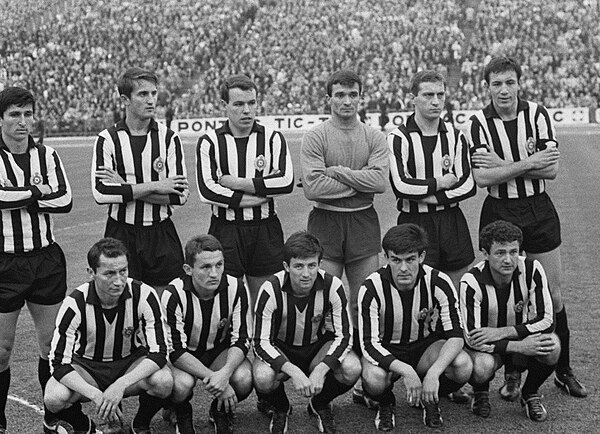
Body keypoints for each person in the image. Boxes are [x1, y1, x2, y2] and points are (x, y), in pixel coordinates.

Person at [466, 56, 586, 399]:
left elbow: (550, 171)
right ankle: (513, 372)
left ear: (520, 83)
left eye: (509, 83)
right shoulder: (476, 123)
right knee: (505, 296)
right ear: (487, 87)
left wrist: (508, 165)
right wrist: (530, 162)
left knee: (554, 293)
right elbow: (482, 177)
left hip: (538, 208)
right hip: (499, 210)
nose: (503, 90)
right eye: (496, 84)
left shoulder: (537, 114)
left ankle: (562, 370)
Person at [43, 238, 173, 434]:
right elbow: (58, 363)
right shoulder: (75, 303)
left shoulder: (144, 294)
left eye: (123, 271)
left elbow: (159, 352)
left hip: (129, 362)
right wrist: (97, 395)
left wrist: (120, 385)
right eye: (109, 273)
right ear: (91, 273)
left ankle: (139, 424)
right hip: (87, 367)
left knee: (164, 381)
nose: (119, 280)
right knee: (54, 397)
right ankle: (85, 427)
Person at [0, 86, 72, 434]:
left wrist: (21, 197)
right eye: (15, 114)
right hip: (4, 263)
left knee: (50, 344)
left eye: (28, 114)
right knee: (2, 349)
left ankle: (53, 414)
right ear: (1, 118)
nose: (23, 122)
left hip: (46, 259)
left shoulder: (49, 155)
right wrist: (37, 192)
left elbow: (66, 200)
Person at [358, 224, 472, 431]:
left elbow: (456, 335)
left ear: (421, 256)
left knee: (463, 365)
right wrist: (407, 371)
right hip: (387, 347)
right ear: (386, 258)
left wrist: (433, 373)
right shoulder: (371, 287)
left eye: (410, 259)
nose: (403, 268)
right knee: (373, 379)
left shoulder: (438, 281)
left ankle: (430, 397)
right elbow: (368, 344)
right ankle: (386, 402)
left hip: (424, 348)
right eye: (396, 260)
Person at [300, 69, 388, 332]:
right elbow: (313, 187)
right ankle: (325, 360)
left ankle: (366, 355)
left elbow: (380, 183)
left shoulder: (374, 137)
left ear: (361, 97)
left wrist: (338, 172)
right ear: (329, 99)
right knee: (321, 300)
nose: (347, 101)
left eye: (352, 94)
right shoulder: (316, 136)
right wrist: (361, 183)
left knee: (363, 300)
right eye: (340, 95)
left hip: (362, 219)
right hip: (326, 219)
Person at [196, 74, 294, 303]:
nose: (247, 110)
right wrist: (262, 193)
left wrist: (235, 182)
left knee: (267, 301)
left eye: (252, 103)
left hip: (265, 229)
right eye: (239, 104)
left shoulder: (273, 138)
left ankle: (264, 341)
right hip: (225, 230)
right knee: (227, 302)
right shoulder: (210, 141)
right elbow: (208, 191)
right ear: (224, 106)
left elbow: (286, 182)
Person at [91, 67, 189, 293]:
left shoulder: (169, 138)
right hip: (120, 233)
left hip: (161, 233)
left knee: (166, 302)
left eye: (154, 93)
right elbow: (102, 193)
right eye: (143, 94)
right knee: (123, 302)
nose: (151, 100)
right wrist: (157, 185)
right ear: (125, 99)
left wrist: (124, 187)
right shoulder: (107, 139)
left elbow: (179, 195)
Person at [253, 232, 361, 434]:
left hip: (317, 349)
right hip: (282, 348)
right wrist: (293, 372)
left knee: (352, 368)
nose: (306, 273)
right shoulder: (271, 289)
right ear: (286, 266)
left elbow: (344, 336)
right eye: (298, 266)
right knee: (262, 377)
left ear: (319, 264)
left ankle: (319, 404)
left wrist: (321, 369)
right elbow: (260, 342)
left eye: (312, 265)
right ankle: (281, 407)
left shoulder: (332, 285)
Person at [460, 220, 560, 421]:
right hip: (488, 349)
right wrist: (519, 346)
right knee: (481, 366)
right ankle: (480, 392)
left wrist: (503, 332)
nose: (508, 259)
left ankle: (529, 393)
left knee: (552, 346)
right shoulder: (471, 281)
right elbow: (472, 339)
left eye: (513, 252)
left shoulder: (532, 268)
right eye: (500, 253)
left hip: (513, 337)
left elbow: (548, 320)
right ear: (485, 254)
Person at [388, 70, 476, 290]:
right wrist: (440, 182)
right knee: (417, 295)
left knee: (455, 295)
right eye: (428, 95)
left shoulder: (456, 137)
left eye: (440, 95)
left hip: (451, 221)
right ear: (413, 99)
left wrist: (432, 198)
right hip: (414, 222)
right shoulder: (398, 138)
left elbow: (467, 185)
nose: (436, 101)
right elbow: (401, 185)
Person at [162, 235, 253, 434]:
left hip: (218, 351)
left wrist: (226, 373)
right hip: (185, 356)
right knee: (180, 385)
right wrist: (216, 379)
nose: (214, 273)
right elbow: (175, 351)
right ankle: (181, 411)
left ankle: (219, 411)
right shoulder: (173, 294)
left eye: (219, 265)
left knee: (244, 378)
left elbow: (242, 338)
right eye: (205, 267)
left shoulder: (236, 287)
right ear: (188, 270)